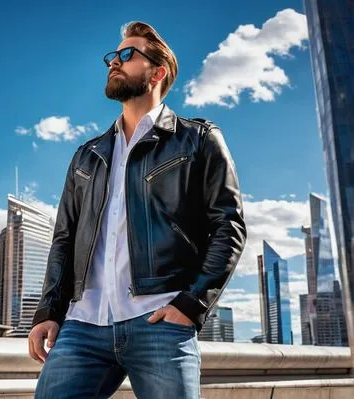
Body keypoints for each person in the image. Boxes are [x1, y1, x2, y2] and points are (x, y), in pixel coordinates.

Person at [28, 21, 247, 399]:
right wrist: (49, 310)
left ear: (157, 72)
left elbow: (229, 226)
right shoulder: (87, 155)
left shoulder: (197, 139)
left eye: (128, 55)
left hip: (161, 320)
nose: (115, 61)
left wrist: (190, 305)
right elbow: (64, 237)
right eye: (113, 55)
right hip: (82, 326)